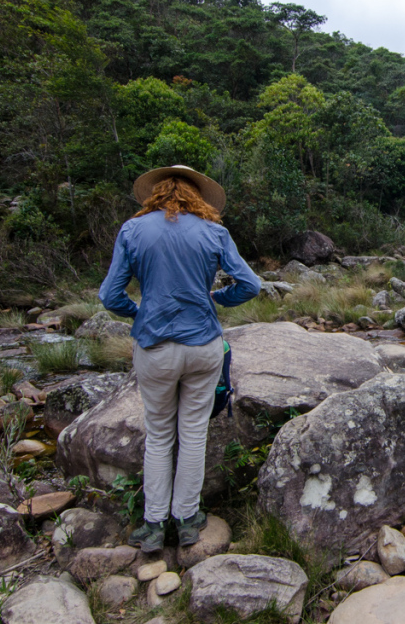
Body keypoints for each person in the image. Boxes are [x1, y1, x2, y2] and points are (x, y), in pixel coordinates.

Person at [99, 165, 260, 553]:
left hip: (154, 347)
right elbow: (250, 285)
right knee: (193, 433)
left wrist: (141, 313)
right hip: (202, 345)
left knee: (158, 435)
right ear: (197, 196)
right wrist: (216, 300)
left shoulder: (133, 229)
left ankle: (154, 525)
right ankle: (187, 520)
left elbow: (110, 295)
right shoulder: (213, 231)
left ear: (156, 193)